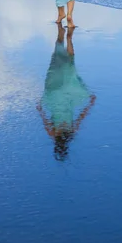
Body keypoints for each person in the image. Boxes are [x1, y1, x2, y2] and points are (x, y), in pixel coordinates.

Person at [37, 25, 96, 161]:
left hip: (67, 93)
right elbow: (44, 118)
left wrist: (90, 103)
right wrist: (39, 108)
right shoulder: (53, 133)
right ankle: (61, 37)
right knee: (57, 64)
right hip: (56, 94)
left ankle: (68, 37)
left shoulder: (71, 132)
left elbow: (82, 116)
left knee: (70, 65)